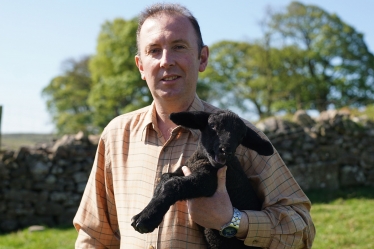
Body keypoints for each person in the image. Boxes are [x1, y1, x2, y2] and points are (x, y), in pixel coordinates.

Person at [73, 3, 315, 249]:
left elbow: (302, 230)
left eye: (178, 47)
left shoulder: (237, 136)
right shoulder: (116, 135)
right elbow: (94, 236)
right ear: (140, 66)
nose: (166, 61)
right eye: (154, 50)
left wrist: (231, 220)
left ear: (203, 58)